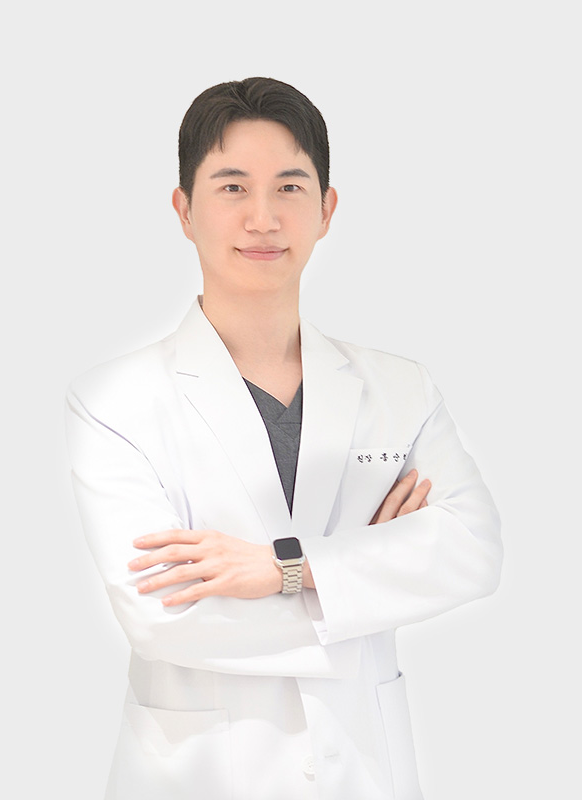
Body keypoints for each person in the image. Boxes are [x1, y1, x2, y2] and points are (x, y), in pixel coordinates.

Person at [66, 77, 502, 800]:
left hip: (362, 769)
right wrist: (375, 573)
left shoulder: (401, 389)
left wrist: (284, 570)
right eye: (232, 187)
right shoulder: (115, 401)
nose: (263, 218)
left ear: (326, 209)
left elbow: (474, 552)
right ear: (184, 210)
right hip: (197, 775)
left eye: (289, 188)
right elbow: (163, 619)